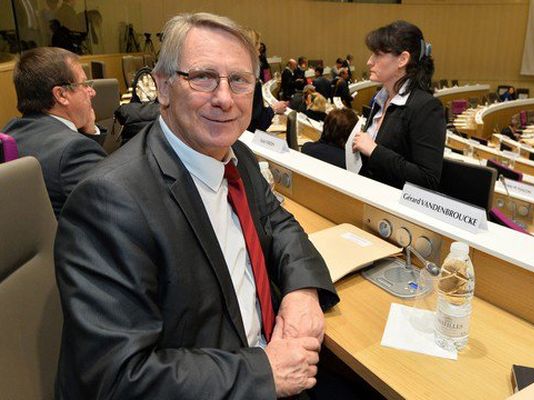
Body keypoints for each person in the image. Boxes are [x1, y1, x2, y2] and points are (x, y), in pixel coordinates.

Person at [54, 12, 339, 400]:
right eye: (203, 77)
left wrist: (302, 290)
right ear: (163, 87)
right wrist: (264, 372)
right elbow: (117, 378)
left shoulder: (237, 154)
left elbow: (279, 221)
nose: (224, 98)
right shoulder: (109, 201)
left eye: (239, 80)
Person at [2, 47, 106, 218]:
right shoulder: (73, 151)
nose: (92, 92)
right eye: (84, 85)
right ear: (61, 95)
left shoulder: (10, 131)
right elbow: (115, 202)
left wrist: (89, 130)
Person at [352, 20, 445, 190]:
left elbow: (428, 179)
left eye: (377, 55)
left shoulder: (427, 107)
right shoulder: (380, 98)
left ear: (402, 59)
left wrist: (374, 150)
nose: (369, 62)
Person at [245, 28, 287, 132]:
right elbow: (258, 122)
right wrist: (274, 109)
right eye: (258, 49)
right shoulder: (252, 81)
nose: (259, 54)